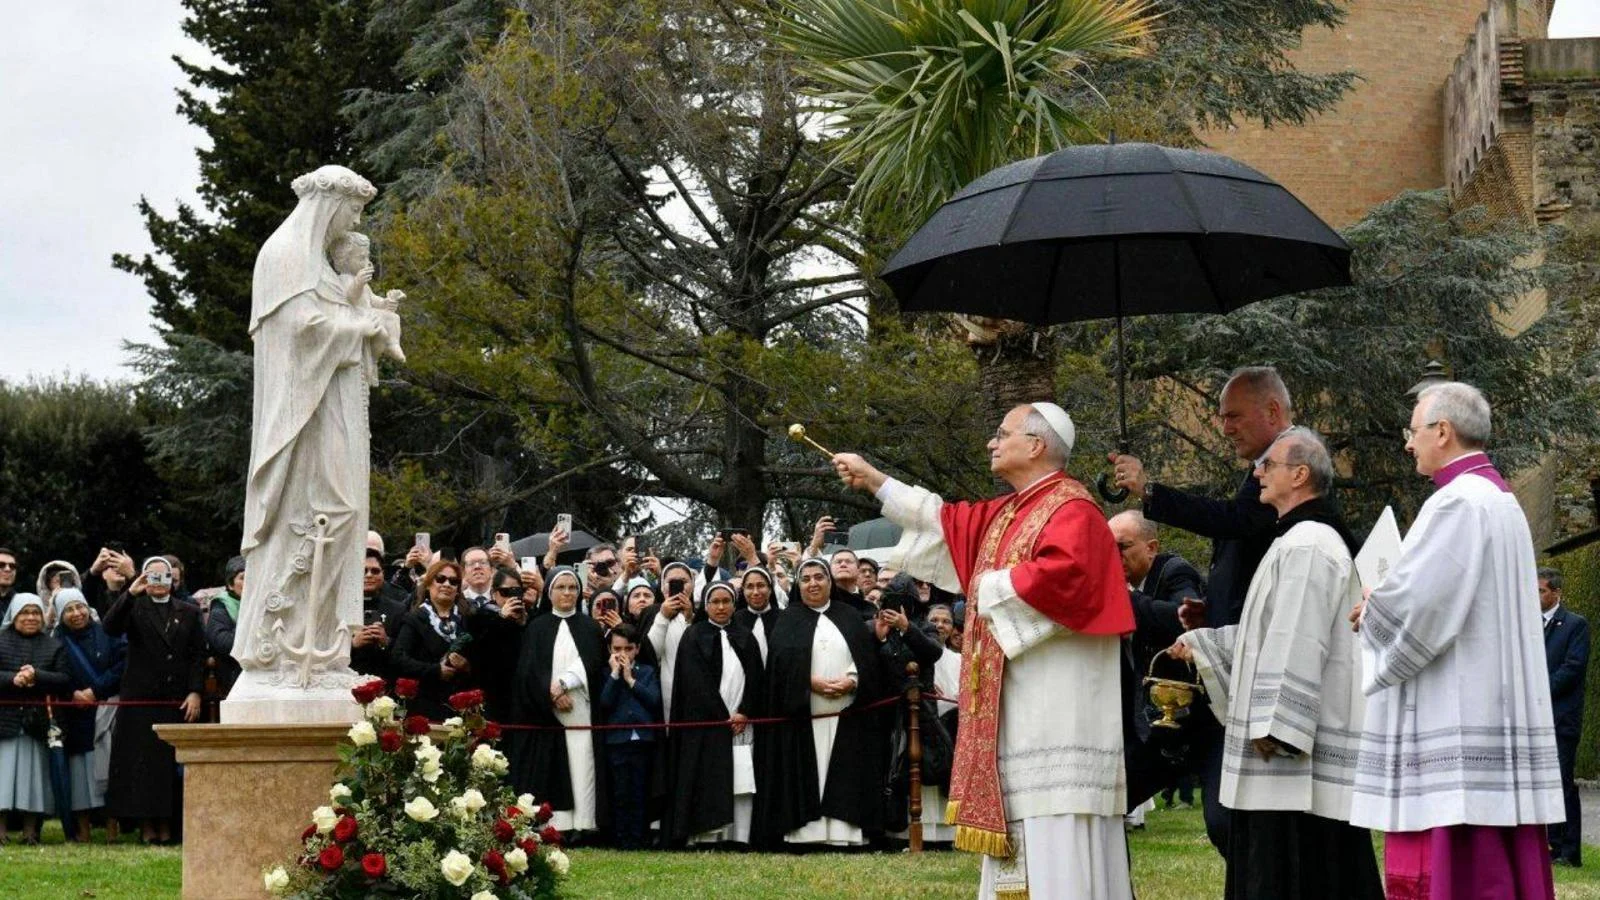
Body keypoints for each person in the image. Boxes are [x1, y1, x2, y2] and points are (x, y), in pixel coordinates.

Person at [834, 401, 1134, 899]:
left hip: (1057, 709)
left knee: (1055, 817)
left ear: (1036, 445)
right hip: (1018, 708)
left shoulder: (1073, 508)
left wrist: (987, 586)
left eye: (1002, 433)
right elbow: (941, 520)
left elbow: (1069, 578)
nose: (992, 442)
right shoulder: (1010, 511)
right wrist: (873, 479)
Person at [1351, 382, 1562, 899]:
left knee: (1456, 858)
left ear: (1442, 431)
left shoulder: (1457, 503)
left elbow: (1425, 606)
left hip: (1458, 707)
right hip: (1491, 703)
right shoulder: (1500, 499)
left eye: (1414, 431)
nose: (1408, 444)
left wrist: (1372, 610)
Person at [1170, 428, 1381, 898]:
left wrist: (1279, 725)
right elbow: (1267, 638)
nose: (1258, 473)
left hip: (1290, 754)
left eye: (1269, 465)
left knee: (1296, 873)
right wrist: (1206, 645)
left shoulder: (1309, 543)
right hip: (1286, 752)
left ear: (1300, 474)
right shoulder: (1297, 539)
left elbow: (1299, 638)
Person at [233, 165, 400, 694]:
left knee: (342, 516)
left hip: (332, 404)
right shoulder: (284, 256)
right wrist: (361, 327)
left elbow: (333, 317)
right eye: (352, 210)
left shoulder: (320, 265)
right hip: (303, 417)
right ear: (329, 203)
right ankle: (282, 641)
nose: (353, 221)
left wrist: (367, 321)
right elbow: (301, 332)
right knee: (326, 512)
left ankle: (320, 649)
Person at [1108, 365, 1290, 853]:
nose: (1223, 427)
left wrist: (1149, 492)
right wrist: (1207, 614)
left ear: (1273, 412)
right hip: (1209, 683)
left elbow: (1235, 521)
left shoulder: (1289, 467)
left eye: (1233, 416)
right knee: (1217, 820)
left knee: (1228, 823)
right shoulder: (1263, 471)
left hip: (1244, 681)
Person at [753, 558, 886, 849]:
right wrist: (808, 681)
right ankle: (806, 834)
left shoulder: (849, 616)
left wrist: (851, 679)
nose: (813, 583)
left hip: (847, 712)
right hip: (804, 714)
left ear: (829, 581)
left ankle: (844, 832)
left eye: (819, 577)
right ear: (798, 585)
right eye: (806, 579)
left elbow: (866, 661)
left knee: (847, 768)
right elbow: (779, 669)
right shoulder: (787, 620)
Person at [103, 557, 205, 844]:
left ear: (174, 580)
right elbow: (109, 628)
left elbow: (198, 654)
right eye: (153, 577)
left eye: (165, 577)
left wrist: (195, 691)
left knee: (169, 765)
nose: (159, 583)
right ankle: (147, 827)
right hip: (141, 700)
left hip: (177, 699)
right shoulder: (134, 606)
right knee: (143, 765)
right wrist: (131, 592)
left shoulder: (189, 611)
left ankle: (170, 827)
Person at [1107, 510, 1203, 811]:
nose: (1114, 556)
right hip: (1132, 717)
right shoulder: (1111, 586)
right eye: (1108, 549)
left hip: (1181, 721)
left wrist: (1126, 601)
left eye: (1122, 546)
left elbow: (1185, 617)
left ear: (1152, 548)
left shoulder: (1174, 571)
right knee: (1112, 802)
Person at [503, 567, 608, 838]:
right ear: (549, 592)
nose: (567, 593)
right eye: (561, 587)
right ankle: (556, 826)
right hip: (546, 713)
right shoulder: (537, 627)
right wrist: (550, 693)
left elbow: (593, 663)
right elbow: (528, 670)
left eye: (572, 588)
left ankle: (585, 823)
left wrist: (565, 684)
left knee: (582, 764)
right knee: (553, 767)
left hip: (581, 710)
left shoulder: (589, 627)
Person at [664, 582, 764, 847]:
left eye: (726, 601)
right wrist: (720, 716)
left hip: (740, 725)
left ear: (734, 604)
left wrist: (744, 712)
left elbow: (756, 679)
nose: (721, 607)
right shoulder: (694, 636)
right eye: (715, 602)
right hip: (706, 725)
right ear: (705, 605)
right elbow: (694, 682)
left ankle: (739, 836)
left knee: (741, 781)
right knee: (706, 779)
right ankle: (706, 834)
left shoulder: (746, 636)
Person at [51, 588, 126, 842]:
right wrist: (73, 692)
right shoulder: (56, 640)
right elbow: (54, 671)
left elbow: (122, 663)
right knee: (79, 774)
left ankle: (112, 827)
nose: (76, 614)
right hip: (74, 714)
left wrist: (96, 690)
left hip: (105, 710)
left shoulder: (107, 632)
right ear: (61, 615)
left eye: (79, 607)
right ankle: (83, 829)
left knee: (108, 768)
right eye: (69, 610)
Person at [0, 593, 70, 843]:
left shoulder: (53, 645)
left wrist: (37, 675)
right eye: (25, 613)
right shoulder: (1, 640)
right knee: (2, 778)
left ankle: (31, 833)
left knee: (34, 780)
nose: (30, 617)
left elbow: (64, 680)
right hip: (4, 722)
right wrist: (12, 679)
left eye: (35, 612)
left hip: (38, 724)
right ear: (15, 616)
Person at [1539, 567, 1589, 868]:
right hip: (1537, 719)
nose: (1536, 596)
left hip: (1561, 717)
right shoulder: (1530, 625)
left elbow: (1572, 668)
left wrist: (1539, 692)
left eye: (1542, 590)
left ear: (1556, 592)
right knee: (1544, 783)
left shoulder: (1575, 625)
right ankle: (1550, 845)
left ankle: (1569, 851)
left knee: (1562, 782)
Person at [390, 560, 481, 721]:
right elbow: (398, 658)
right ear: (428, 584)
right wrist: (436, 670)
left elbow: (483, 661)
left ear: (458, 589)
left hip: (461, 707)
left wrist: (467, 666)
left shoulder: (469, 620)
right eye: (440, 579)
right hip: (424, 706)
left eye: (453, 581)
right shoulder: (415, 618)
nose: (447, 584)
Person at [598, 623, 661, 849]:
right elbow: (604, 702)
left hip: (642, 740)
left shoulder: (647, 672)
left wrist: (631, 679)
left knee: (639, 790)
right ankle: (621, 838)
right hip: (617, 741)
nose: (622, 654)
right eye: (617, 649)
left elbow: (653, 700)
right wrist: (616, 675)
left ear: (637, 649)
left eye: (628, 649)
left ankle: (638, 836)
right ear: (609, 649)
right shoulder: (606, 674)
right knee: (620, 791)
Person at [648, 562, 697, 722]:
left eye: (683, 581)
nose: (678, 586)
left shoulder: (703, 614)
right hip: (661, 691)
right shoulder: (650, 613)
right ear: (662, 586)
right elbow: (650, 654)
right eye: (671, 582)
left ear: (692, 584)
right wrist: (663, 616)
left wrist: (689, 618)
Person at [351, 548, 409, 680]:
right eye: (363, 571)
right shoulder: (341, 609)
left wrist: (386, 641)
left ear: (383, 574)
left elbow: (407, 653)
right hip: (347, 682)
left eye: (375, 571)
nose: (369, 575)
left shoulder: (398, 610)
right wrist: (352, 644)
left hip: (384, 682)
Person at [203, 556, 246, 698]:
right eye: (243, 578)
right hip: (233, 676)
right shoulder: (221, 608)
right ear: (230, 584)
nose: (249, 582)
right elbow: (223, 643)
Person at [734, 567, 779, 662]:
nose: (755, 592)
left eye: (761, 585)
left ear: (770, 589)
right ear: (743, 590)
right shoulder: (734, 621)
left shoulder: (784, 618)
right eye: (750, 587)